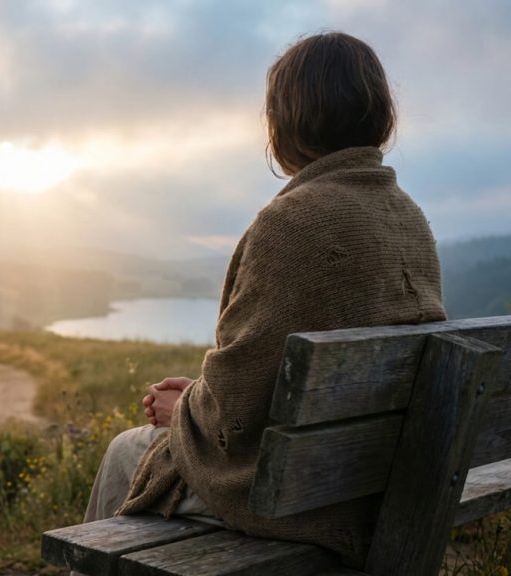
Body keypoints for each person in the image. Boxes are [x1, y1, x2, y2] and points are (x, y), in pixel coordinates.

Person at [82, 31, 446, 568]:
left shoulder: (291, 223)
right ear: (379, 112)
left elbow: (236, 408)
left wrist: (183, 407)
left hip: (301, 499)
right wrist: (202, 399)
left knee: (125, 451)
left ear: (286, 119)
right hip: (373, 481)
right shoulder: (409, 217)